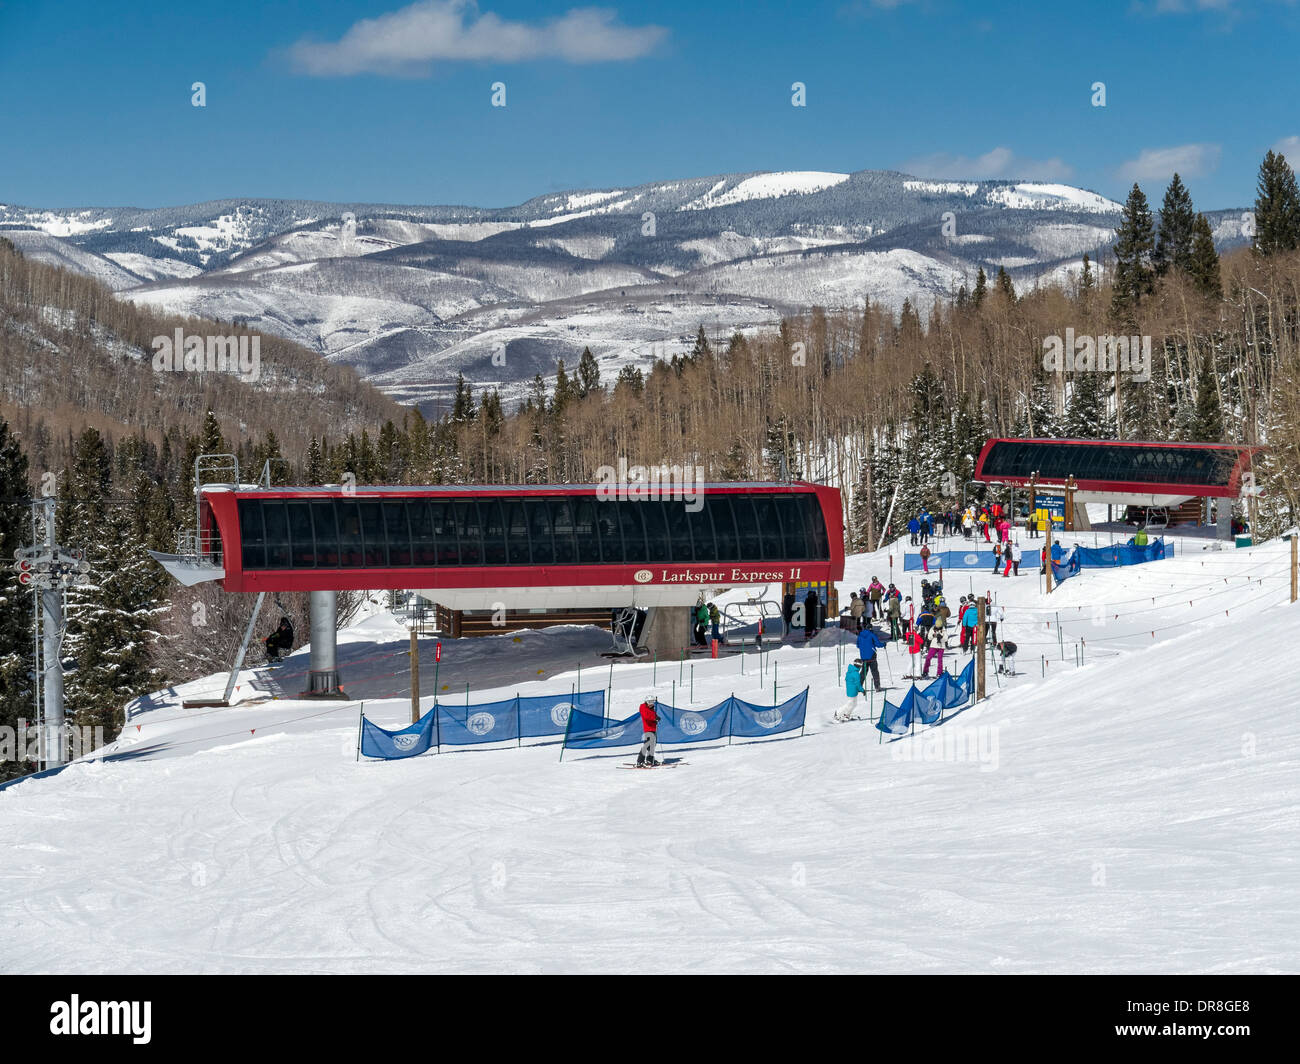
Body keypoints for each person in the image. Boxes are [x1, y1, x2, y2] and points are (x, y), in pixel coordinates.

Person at [856, 624, 889, 692]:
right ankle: (877, 686)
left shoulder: (860, 635)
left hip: (863, 657)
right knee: (874, 671)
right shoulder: (872, 634)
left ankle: (859, 686)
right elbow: (878, 644)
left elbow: (858, 645)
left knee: (863, 672)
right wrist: (884, 644)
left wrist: (863, 648)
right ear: (871, 629)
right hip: (872, 655)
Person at [637, 695, 660, 767]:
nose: (651, 703)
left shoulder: (652, 708)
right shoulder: (643, 707)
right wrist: (654, 718)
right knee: (647, 745)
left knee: (652, 745)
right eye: (650, 702)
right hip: (648, 729)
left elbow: (653, 716)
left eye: (653, 702)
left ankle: (650, 759)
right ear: (646, 702)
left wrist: (656, 718)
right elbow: (646, 716)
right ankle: (640, 761)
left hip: (653, 728)